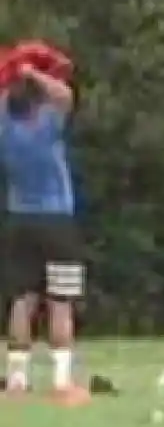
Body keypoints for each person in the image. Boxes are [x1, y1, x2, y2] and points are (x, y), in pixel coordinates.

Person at [0, 62, 90, 406]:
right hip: (56, 221)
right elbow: (66, 96)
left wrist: (12, 75)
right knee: (60, 302)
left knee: (21, 301)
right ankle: (61, 382)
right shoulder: (47, 126)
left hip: (19, 220)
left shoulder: (5, 130)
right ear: (38, 104)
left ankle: (17, 381)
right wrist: (33, 72)